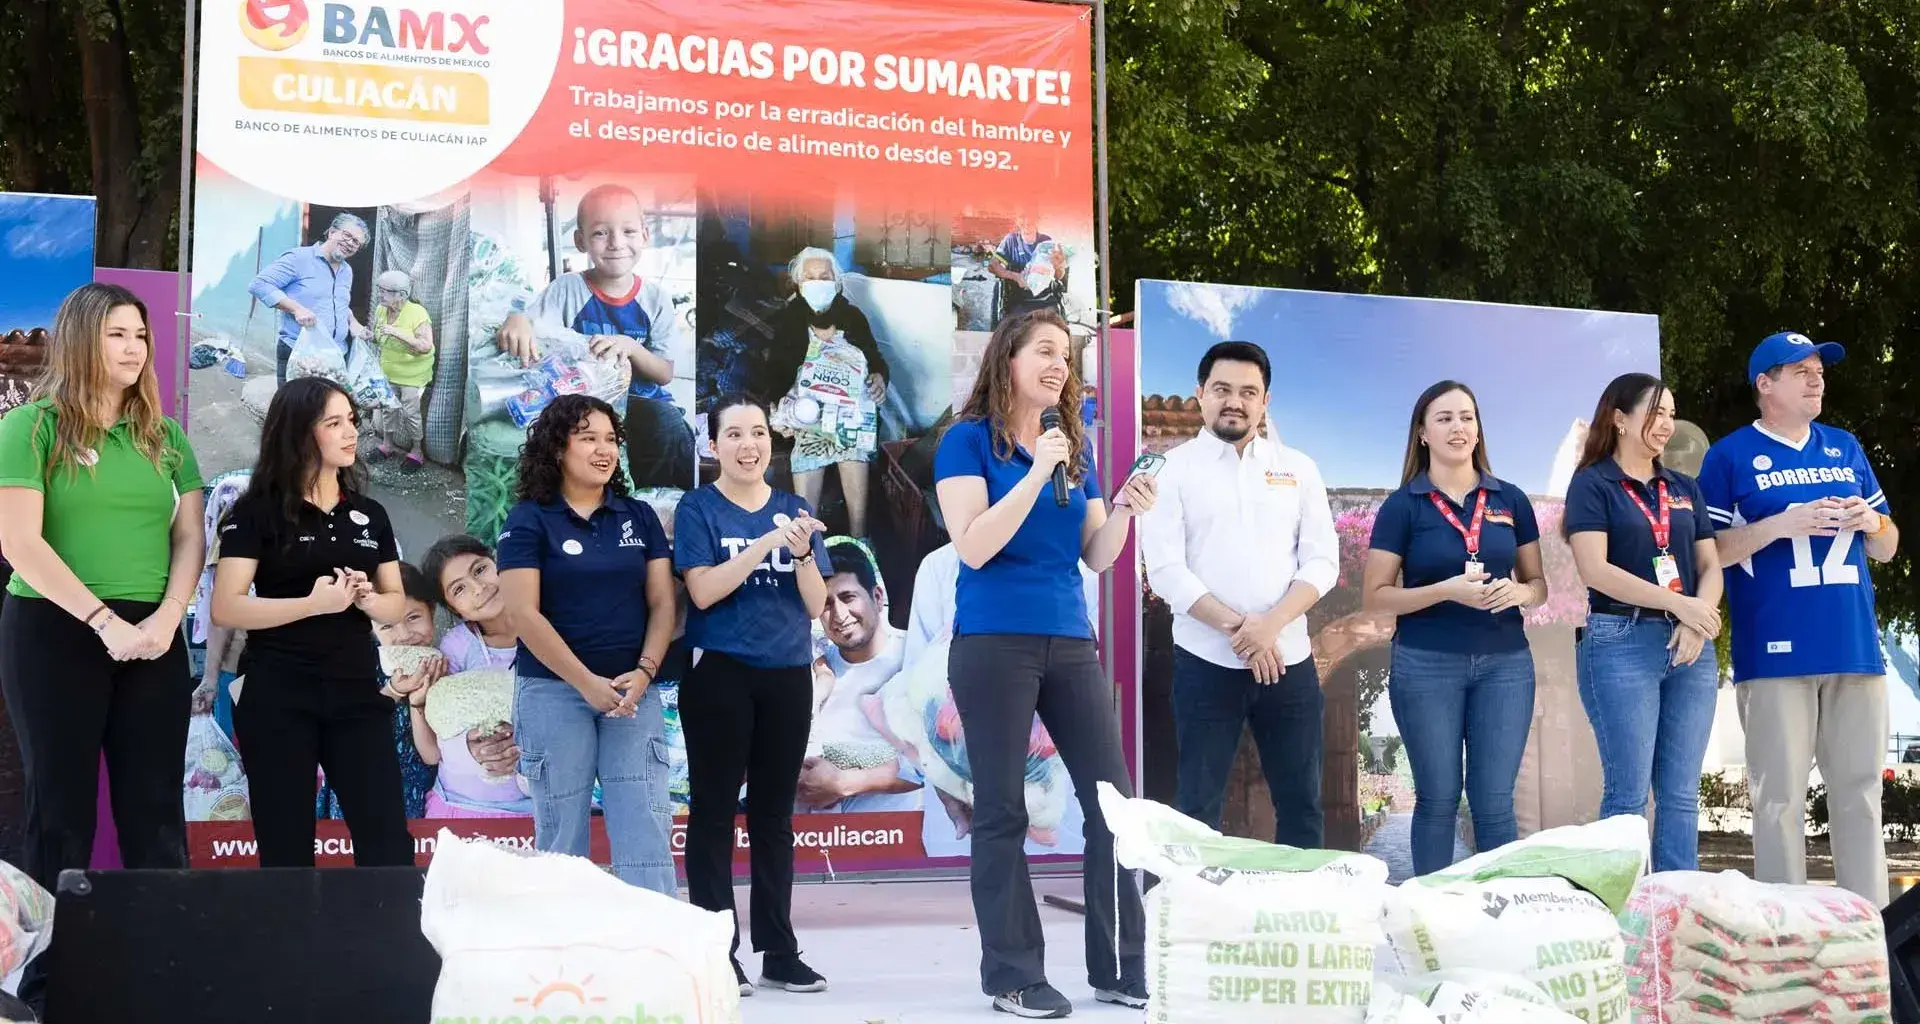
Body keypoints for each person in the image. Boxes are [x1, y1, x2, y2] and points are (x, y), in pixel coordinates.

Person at [933, 309, 1157, 1017]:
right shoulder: (967, 441)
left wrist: (1124, 511)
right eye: (1046, 351)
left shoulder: (1073, 447)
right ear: (1008, 358)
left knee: (1113, 805)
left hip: (1069, 640)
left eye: (1067, 355)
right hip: (993, 642)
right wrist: (1035, 472)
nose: (1061, 365)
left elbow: (1096, 555)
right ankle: (1014, 975)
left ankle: (1119, 967)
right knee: (1002, 809)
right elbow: (973, 545)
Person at [0, 282, 205, 896]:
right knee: (59, 810)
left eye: (140, 334)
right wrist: (102, 621)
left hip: (153, 635)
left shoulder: (166, 437)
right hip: (54, 629)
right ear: (80, 340)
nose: (134, 347)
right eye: (116, 334)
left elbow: (189, 537)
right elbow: (20, 542)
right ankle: (49, 952)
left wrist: (168, 618)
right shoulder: (29, 427)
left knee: (156, 808)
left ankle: (162, 943)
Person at [1698, 332, 1899, 906]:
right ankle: (1785, 931)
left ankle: (1868, 926)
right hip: (1776, 650)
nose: (1816, 379)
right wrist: (1780, 525)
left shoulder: (1844, 447)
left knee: (1861, 796)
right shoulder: (1730, 455)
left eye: (1819, 370)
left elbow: (1888, 548)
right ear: (1765, 384)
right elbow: (1709, 551)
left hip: (1853, 647)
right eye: (1800, 370)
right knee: (1779, 799)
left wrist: (1871, 523)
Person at [1139, 341, 1338, 847]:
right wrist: (1244, 631)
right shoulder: (1170, 469)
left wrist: (1271, 626)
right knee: (1197, 805)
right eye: (1222, 389)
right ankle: (1195, 897)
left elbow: (1322, 562)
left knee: (1301, 805)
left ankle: (1300, 897)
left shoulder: (1299, 468)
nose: (1235, 401)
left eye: (1249, 392)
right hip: (1205, 662)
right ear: (1200, 394)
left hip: (1288, 662)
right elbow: (1165, 570)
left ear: (1265, 401)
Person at [210, 377, 415, 868]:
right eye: (334, 423)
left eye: (352, 421)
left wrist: (367, 598)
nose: (351, 433)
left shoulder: (369, 513)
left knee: (388, 844)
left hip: (356, 692)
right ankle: (292, 924)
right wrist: (312, 604)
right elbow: (226, 607)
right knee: (286, 852)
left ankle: (387, 922)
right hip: (278, 694)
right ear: (301, 432)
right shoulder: (254, 512)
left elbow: (395, 604)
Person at [674, 393, 833, 997]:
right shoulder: (699, 508)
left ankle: (780, 951)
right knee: (713, 814)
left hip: (787, 675)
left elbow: (815, 605)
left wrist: (800, 552)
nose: (749, 445)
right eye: (735, 434)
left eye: (759, 432)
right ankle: (718, 953)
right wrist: (768, 544)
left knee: (773, 816)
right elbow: (703, 592)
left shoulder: (795, 508)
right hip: (720, 673)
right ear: (714, 445)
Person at [1361, 380, 1548, 877]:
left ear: (1478, 429)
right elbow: (1375, 595)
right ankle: (1430, 912)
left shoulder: (1510, 500)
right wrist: (1445, 590)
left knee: (1494, 802)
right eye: (1444, 418)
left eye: (1466, 417)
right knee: (1438, 798)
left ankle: (1494, 907)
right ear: (1423, 433)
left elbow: (1538, 585)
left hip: (1506, 665)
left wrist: (1521, 594)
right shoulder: (1404, 505)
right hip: (1426, 664)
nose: (1458, 427)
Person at [497, 394, 678, 891]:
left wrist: (644, 672)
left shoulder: (638, 516)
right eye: (588, 438)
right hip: (553, 694)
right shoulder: (529, 519)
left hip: (631, 694)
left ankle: (654, 938)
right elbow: (522, 613)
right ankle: (563, 940)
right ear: (558, 448)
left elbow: (663, 604)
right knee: (562, 838)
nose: (604, 450)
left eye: (611, 439)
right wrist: (585, 683)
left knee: (645, 828)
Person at [1564, 373, 1722, 873]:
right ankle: (1624, 909)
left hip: (1690, 646)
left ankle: (1676, 906)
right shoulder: (1592, 483)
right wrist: (1680, 606)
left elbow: (1710, 567)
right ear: (1620, 419)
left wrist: (1696, 621)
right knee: (1628, 794)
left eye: (1672, 414)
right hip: (1621, 640)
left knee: (1681, 796)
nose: (1667, 424)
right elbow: (1595, 570)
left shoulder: (1684, 488)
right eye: (1656, 413)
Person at [497, 184, 694, 490]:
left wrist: (631, 347)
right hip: (583, 403)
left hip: (640, 404)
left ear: (644, 235)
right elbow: (530, 322)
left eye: (628, 231)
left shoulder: (656, 299)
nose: (616, 243)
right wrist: (518, 318)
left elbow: (664, 373)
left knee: (670, 425)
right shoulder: (566, 289)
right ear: (580, 241)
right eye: (601, 233)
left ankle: (656, 504)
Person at [755, 248, 890, 537]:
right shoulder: (787, 321)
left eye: (824, 276)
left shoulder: (853, 318)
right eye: (810, 277)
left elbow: (875, 360)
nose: (818, 283)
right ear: (799, 284)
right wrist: (779, 410)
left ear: (837, 282)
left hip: (849, 415)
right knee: (807, 466)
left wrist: (880, 378)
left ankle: (859, 540)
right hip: (807, 416)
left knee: (854, 449)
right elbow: (774, 373)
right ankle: (808, 543)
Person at [796, 540, 920, 814]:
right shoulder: (811, 669)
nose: (839, 615)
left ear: (877, 596)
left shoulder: (916, 658)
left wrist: (845, 782)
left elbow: (941, 760)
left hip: (901, 833)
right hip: (816, 834)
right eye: (826, 604)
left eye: (848, 597)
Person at [417, 534, 527, 818]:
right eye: (459, 589)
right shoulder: (457, 647)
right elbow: (441, 729)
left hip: (544, 804)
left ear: (497, 563)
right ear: (454, 609)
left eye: (480, 570)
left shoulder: (551, 626)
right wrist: (472, 748)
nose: (479, 588)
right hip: (465, 806)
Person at [249, 212, 373, 387]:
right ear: (332, 232)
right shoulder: (299, 258)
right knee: (296, 404)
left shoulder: (346, 271)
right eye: (347, 235)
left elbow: (338, 303)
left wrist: (353, 323)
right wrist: (296, 308)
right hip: (300, 353)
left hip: (335, 355)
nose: (350, 243)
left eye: (356, 242)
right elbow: (259, 284)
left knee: (328, 404)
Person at [364, 562, 439, 820]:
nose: (404, 634)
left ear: (431, 610)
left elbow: (433, 755)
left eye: (414, 617)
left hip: (423, 798)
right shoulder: (357, 668)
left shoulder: (447, 665)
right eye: (387, 626)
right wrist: (394, 691)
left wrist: (418, 702)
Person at [366, 270, 434, 473]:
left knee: (411, 412)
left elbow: (425, 346)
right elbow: (380, 338)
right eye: (379, 289)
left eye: (384, 291)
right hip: (388, 372)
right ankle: (387, 445)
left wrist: (397, 332)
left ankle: (417, 451)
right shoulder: (381, 309)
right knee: (388, 408)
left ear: (402, 295)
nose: (380, 294)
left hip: (412, 376)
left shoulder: (417, 313)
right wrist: (367, 335)